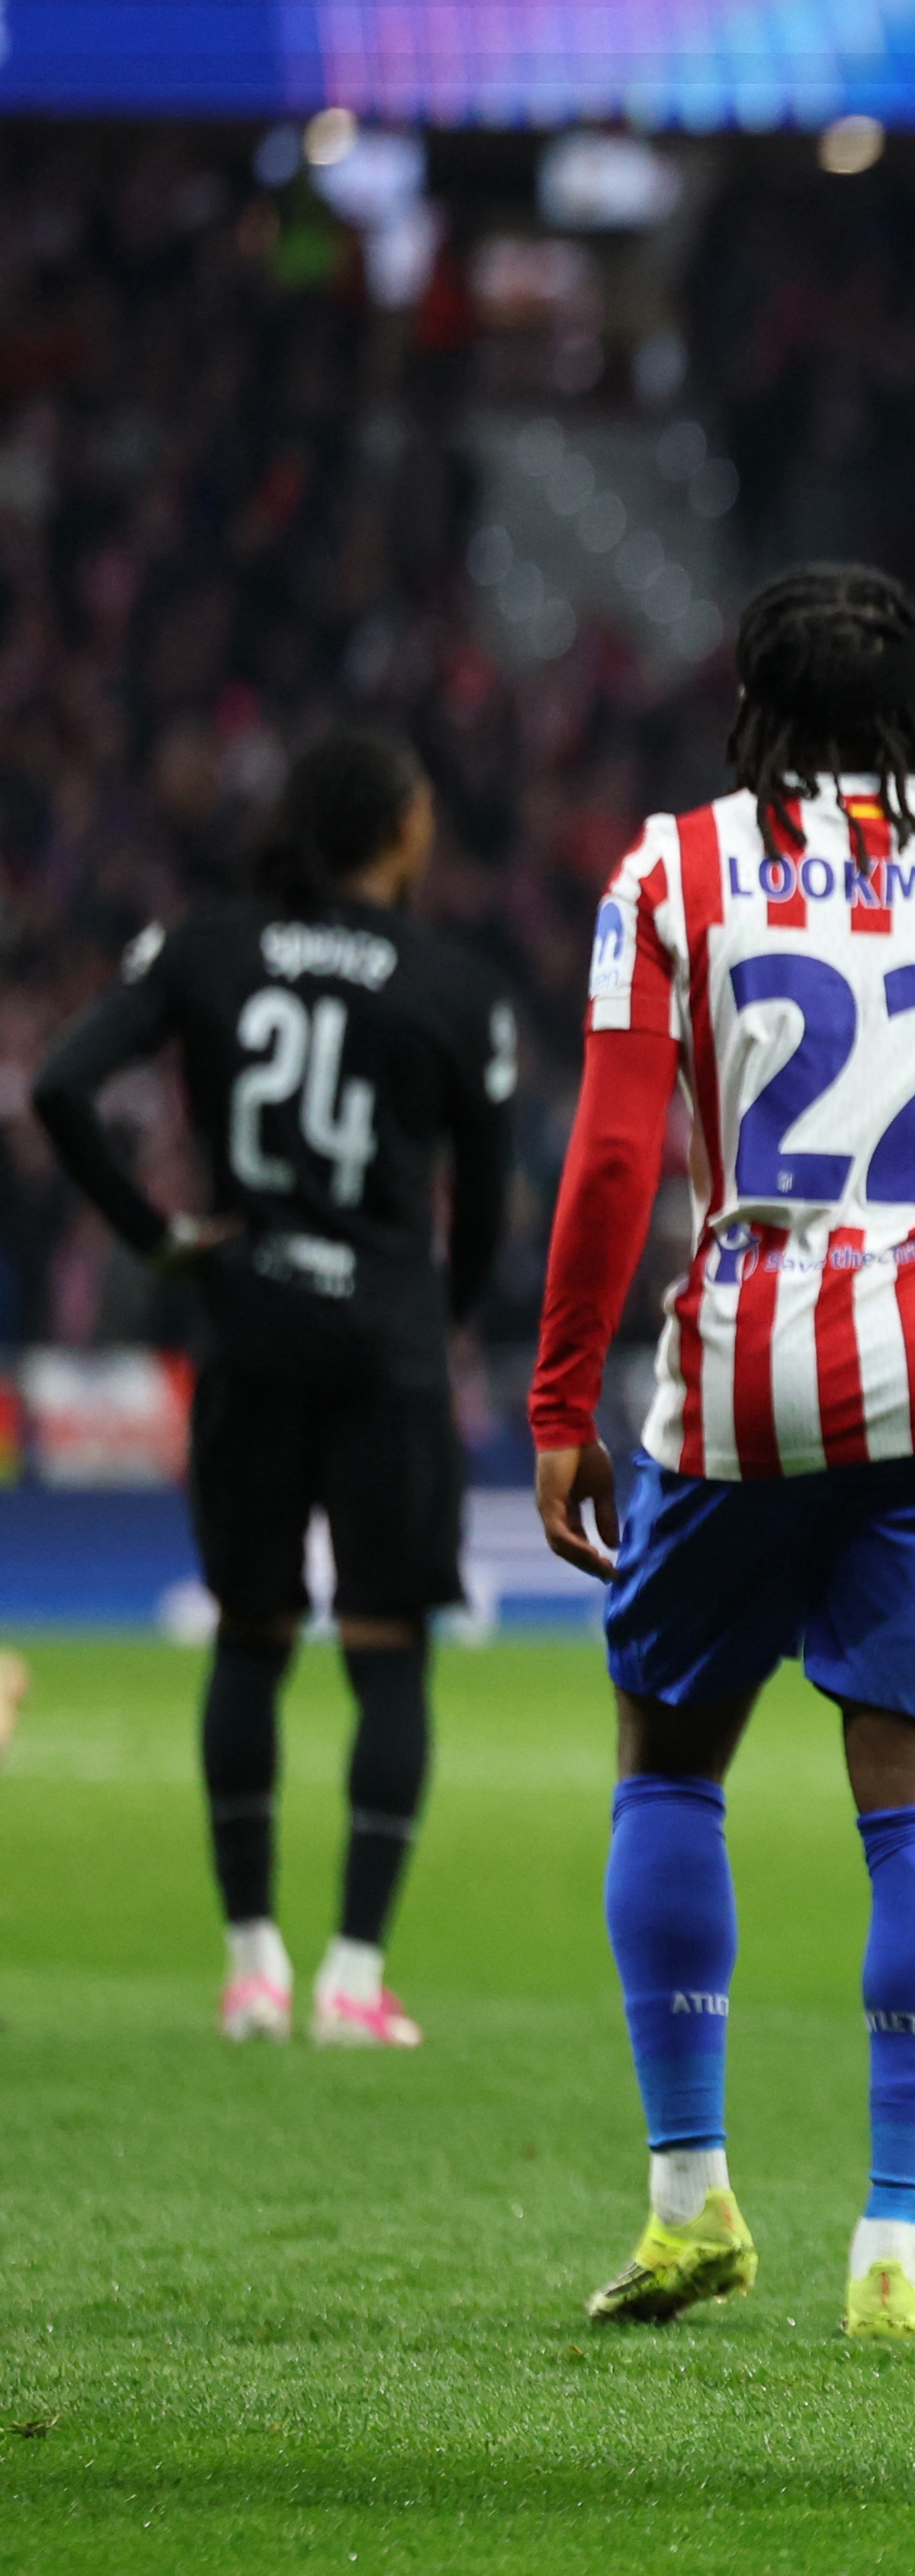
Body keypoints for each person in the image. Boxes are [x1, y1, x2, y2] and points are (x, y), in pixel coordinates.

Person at [527, 564, 915, 2341]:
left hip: (742, 1379)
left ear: (753, 707)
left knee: (667, 1761)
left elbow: (614, 1159)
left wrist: (560, 1397)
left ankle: (690, 2197)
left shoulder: (673, 870)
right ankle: (897, 2246)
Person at [32, 729, 513, 2050]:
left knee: (250, 1635)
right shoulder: (454, 986)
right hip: (384, 1352)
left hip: (247, 1332)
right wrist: (436, 1316)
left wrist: (155, 1237)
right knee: (388, 1649)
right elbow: (483, 1207)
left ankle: (250, 1965)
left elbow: (62, 1084)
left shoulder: (206, 947)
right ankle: (354, 1976)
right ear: (404, 831)